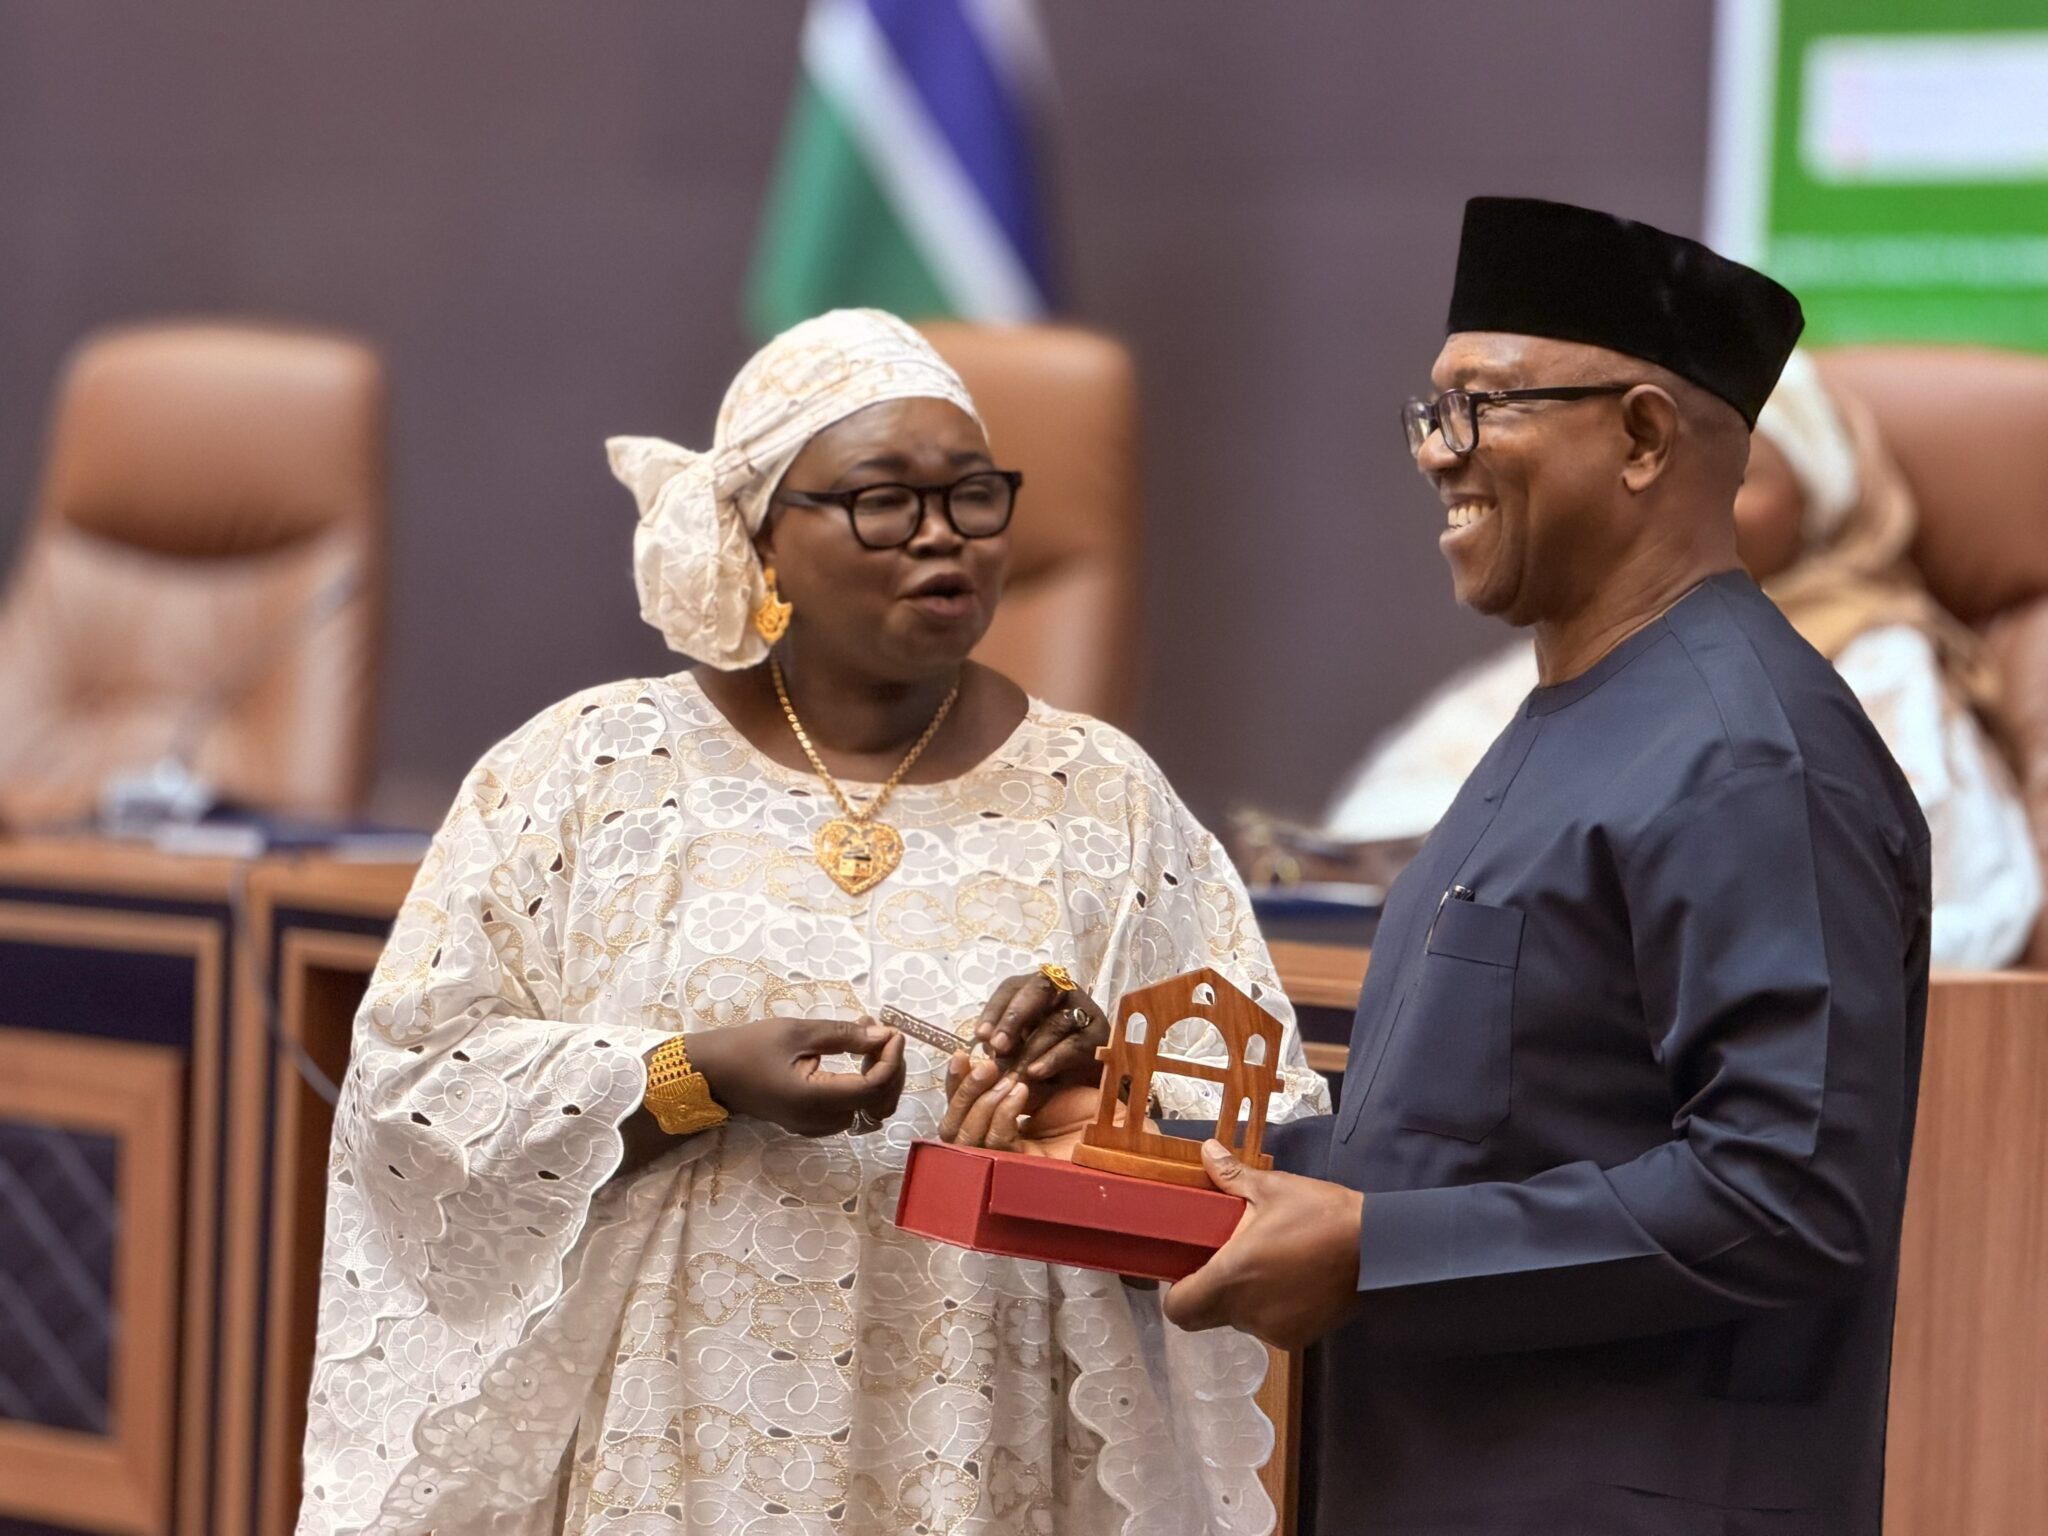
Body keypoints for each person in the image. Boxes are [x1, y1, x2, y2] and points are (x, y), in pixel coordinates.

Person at [959, 200, 1930, 1534]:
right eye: (1430, 411)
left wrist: (1377, 1257)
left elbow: (1789, 1191)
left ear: (1644, 435)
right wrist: (1135, 1140)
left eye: (1482, 410)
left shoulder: (1750, 756)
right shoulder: (1573, 715)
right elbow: (1465, 1149)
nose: (1437, 456)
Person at [297, 308, 1328, 1536]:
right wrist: (695, 1075)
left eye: (972, 495)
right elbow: (414, 1090)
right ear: (759, 539)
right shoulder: (590, 770)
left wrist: (1097, 1086)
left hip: (980, 1424)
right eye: (884, 499)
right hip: (681, 1432)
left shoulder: (1101, 796)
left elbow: (1257, 1135)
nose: (941, 533)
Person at [1323, 349, 2039, 967]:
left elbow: (1959, 903)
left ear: (1816, 498)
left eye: (1740, 478)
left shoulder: (1869, 662)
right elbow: (1366, 835)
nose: (1696, 506)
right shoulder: (1574, 648)